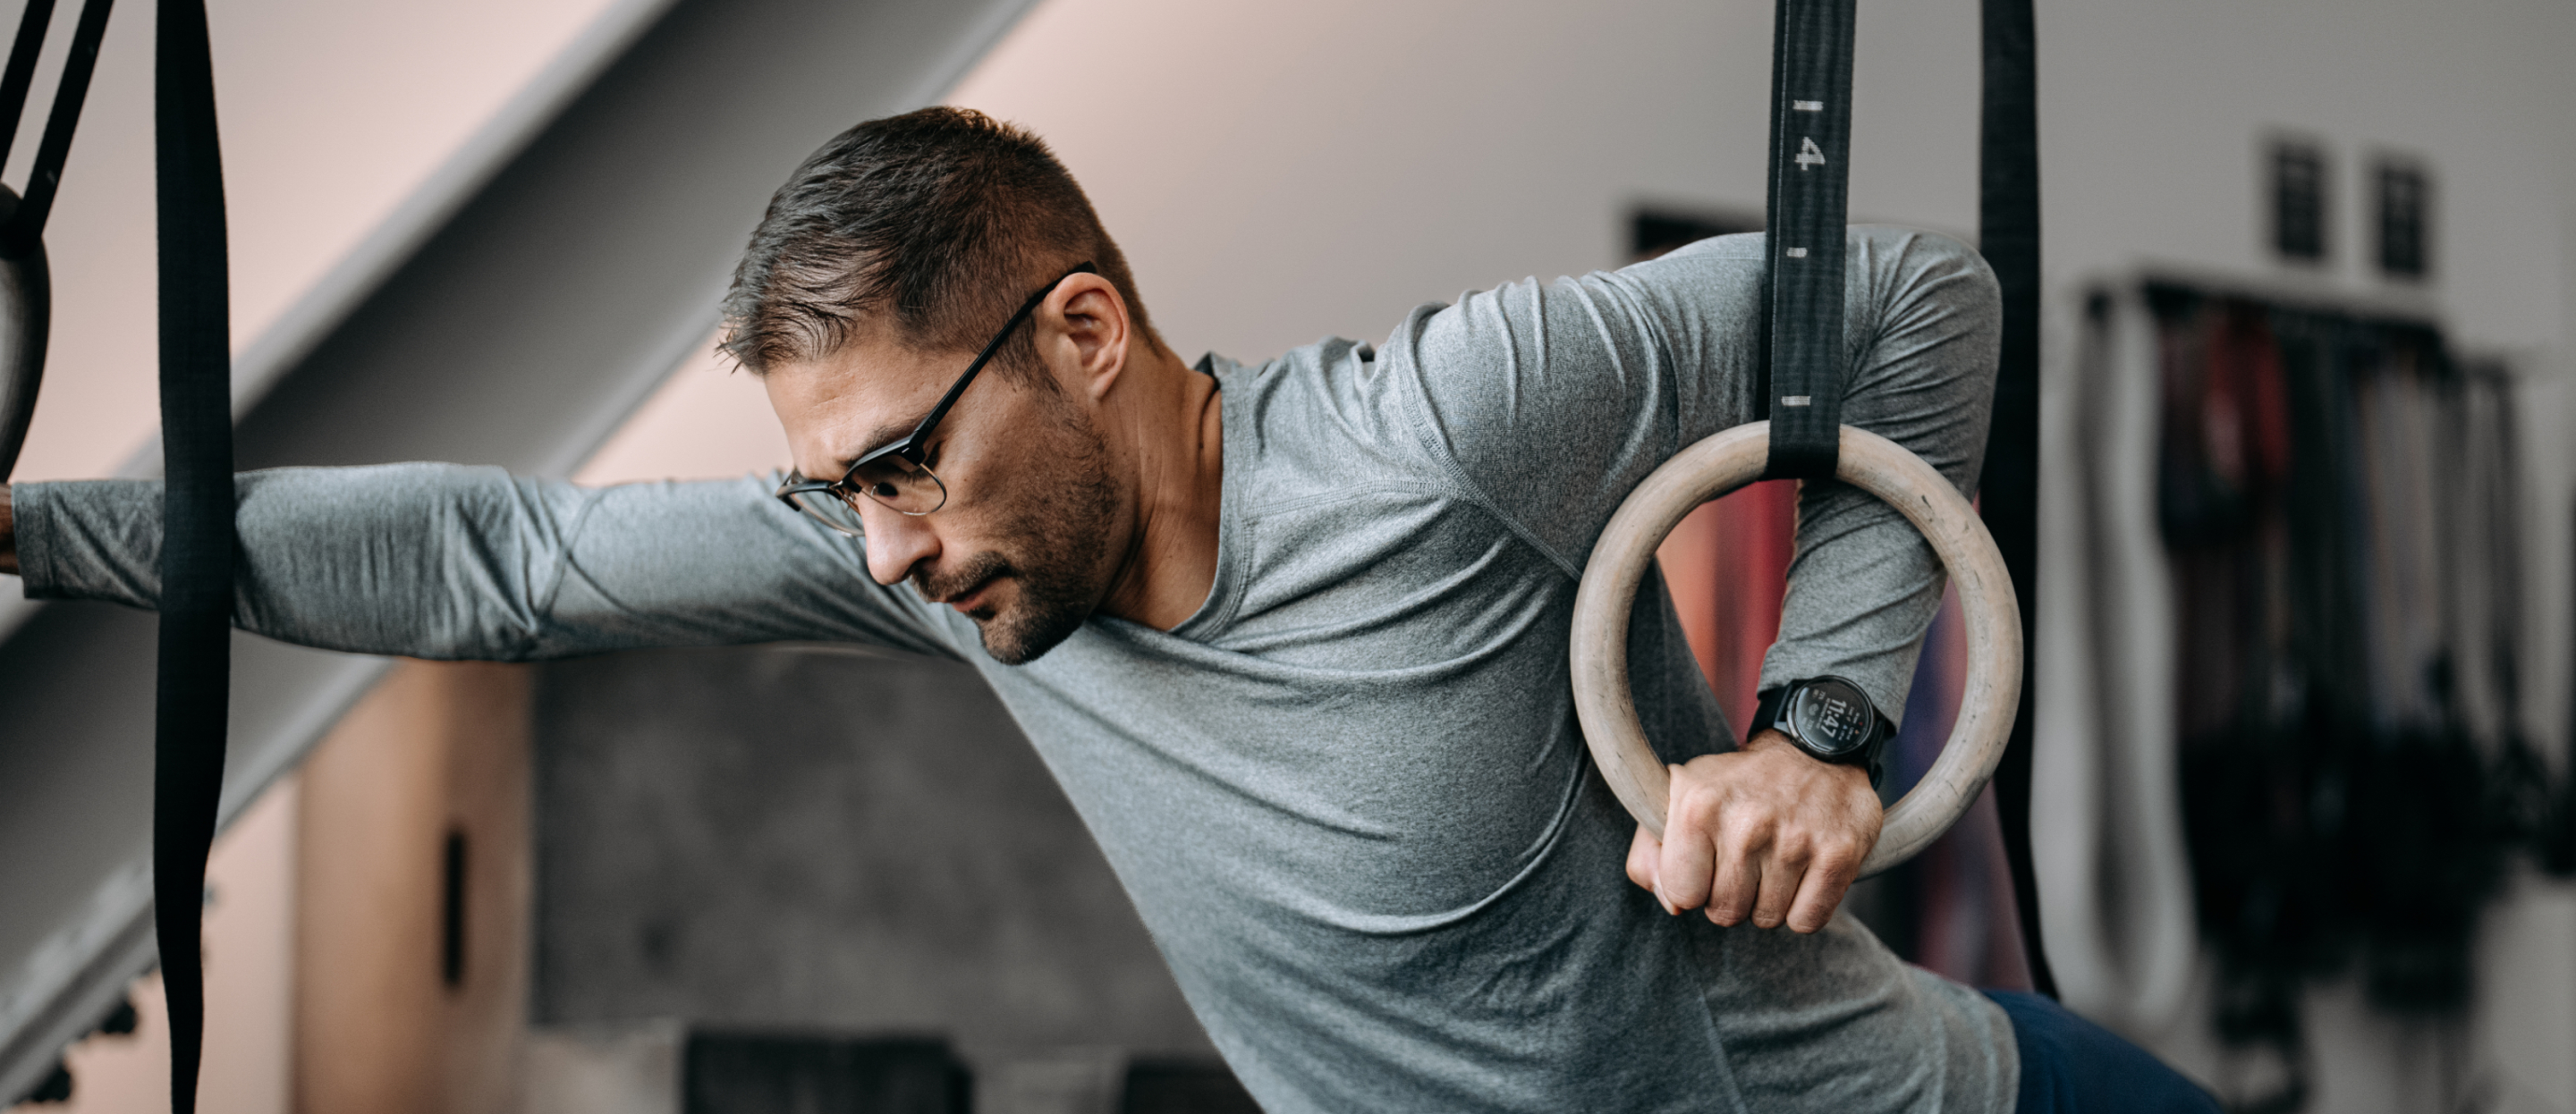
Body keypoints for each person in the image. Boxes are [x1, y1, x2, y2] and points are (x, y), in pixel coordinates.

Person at [0, 107, 2212, 1112]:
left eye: (896, 465)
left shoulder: (1443, 432)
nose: (875, 546)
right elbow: (504, 558)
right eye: (828, 487)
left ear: (1080, 334)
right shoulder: (959, 582)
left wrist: (1818, 720)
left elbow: (1914, 293)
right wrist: (26, 533)